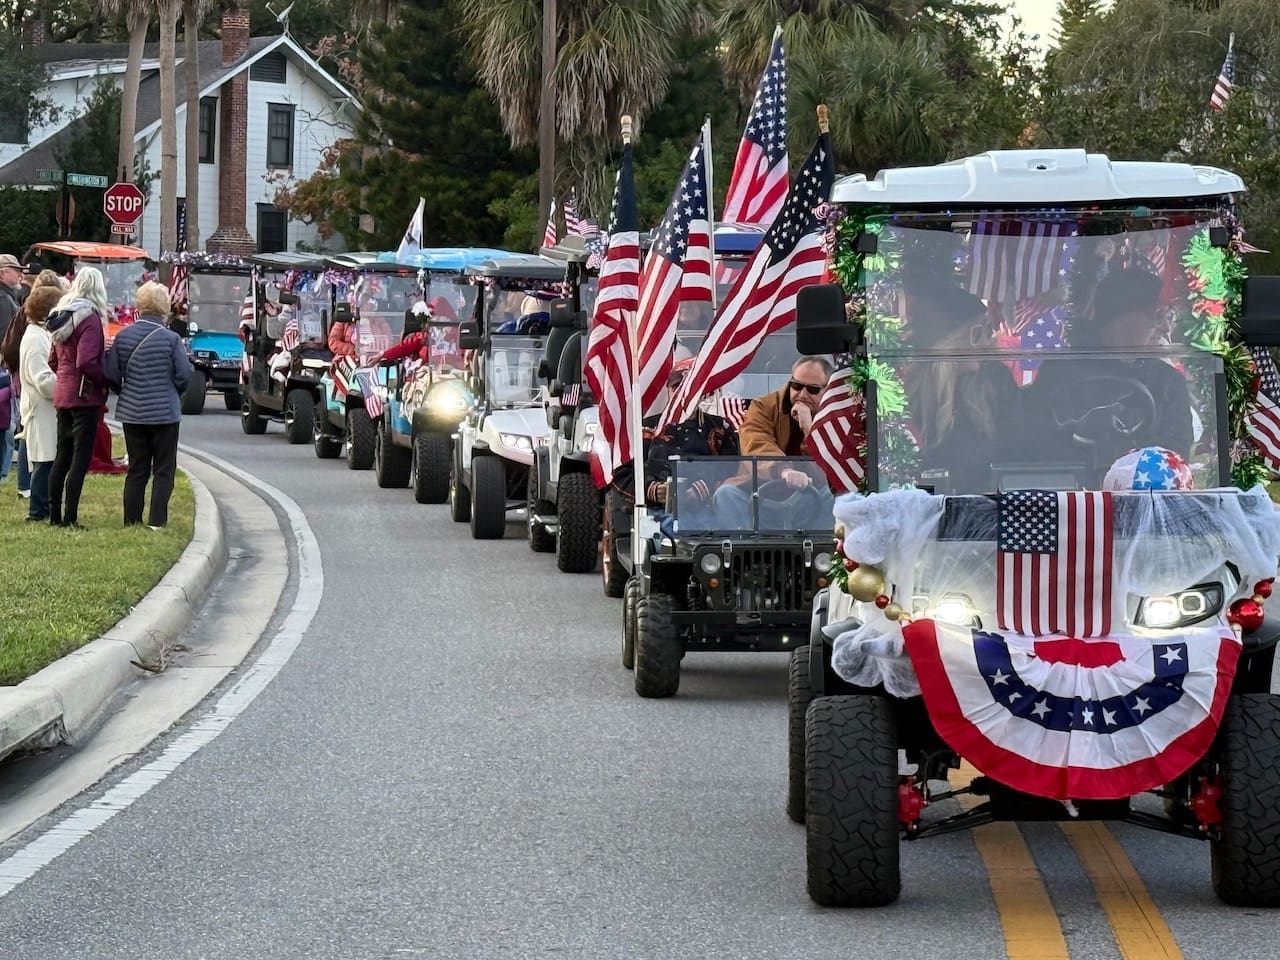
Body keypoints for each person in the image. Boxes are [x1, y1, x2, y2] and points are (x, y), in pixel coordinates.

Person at [1026, 266, 1193, 475]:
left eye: (1169, 317)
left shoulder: (1168, 382)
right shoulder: (1059, 372)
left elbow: (1176, 455)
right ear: (1121, 313)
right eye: (1158, 316)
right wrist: (1083, 432)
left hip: (1141, 493)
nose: (1165, 329)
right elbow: (1032, 443)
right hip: (1071, 496)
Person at [896, 274, 1020, 493]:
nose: (987, 342)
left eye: (988, 331)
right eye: (977, 332)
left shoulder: (996, 384)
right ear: (946, 343)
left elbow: (1019, 454)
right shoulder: (899, 397)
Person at [104, 282, 192, 528]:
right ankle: (156, 521)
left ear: (140, 306)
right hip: (165, 413)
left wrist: (124, 390)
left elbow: (111, 373)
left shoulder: (123, 336)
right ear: (163, 307)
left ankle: (132, 520)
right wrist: (175, 391)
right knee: (164, 469)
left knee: (137, 469)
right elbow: (184, 374)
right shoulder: (171, 339)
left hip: (132, 412)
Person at [712, 356, 834, 529]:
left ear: (827, 390)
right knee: (726, 494)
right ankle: (743, 553)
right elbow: (755, 443)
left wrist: (809, 428)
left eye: (812, 390)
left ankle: (822, 554)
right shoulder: (763, 407)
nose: (802, 395)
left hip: (812, 501)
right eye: (797, 386)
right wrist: (783, 470)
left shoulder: (835, 415)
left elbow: (832, 468)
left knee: (838, 498)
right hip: (758, 499)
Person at [46, 267, 112, 528]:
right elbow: (86, 361)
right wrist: (103, 382)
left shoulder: (60, 316)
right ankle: (71, 517)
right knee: (80, 457)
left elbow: (53, 359)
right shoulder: (90, 319)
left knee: (61, 454)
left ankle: (54, 515)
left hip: (62, 392)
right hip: (84, 395)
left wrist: (64, 376)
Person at [16, 286, 62, 521]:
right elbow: (42, 379)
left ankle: (45, 507)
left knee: (49, 458)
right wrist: (65, 386)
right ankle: (37, 511)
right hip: (40, 408)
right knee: (43, 460)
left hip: (47, 408)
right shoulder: (34, 338)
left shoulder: (40, 334)